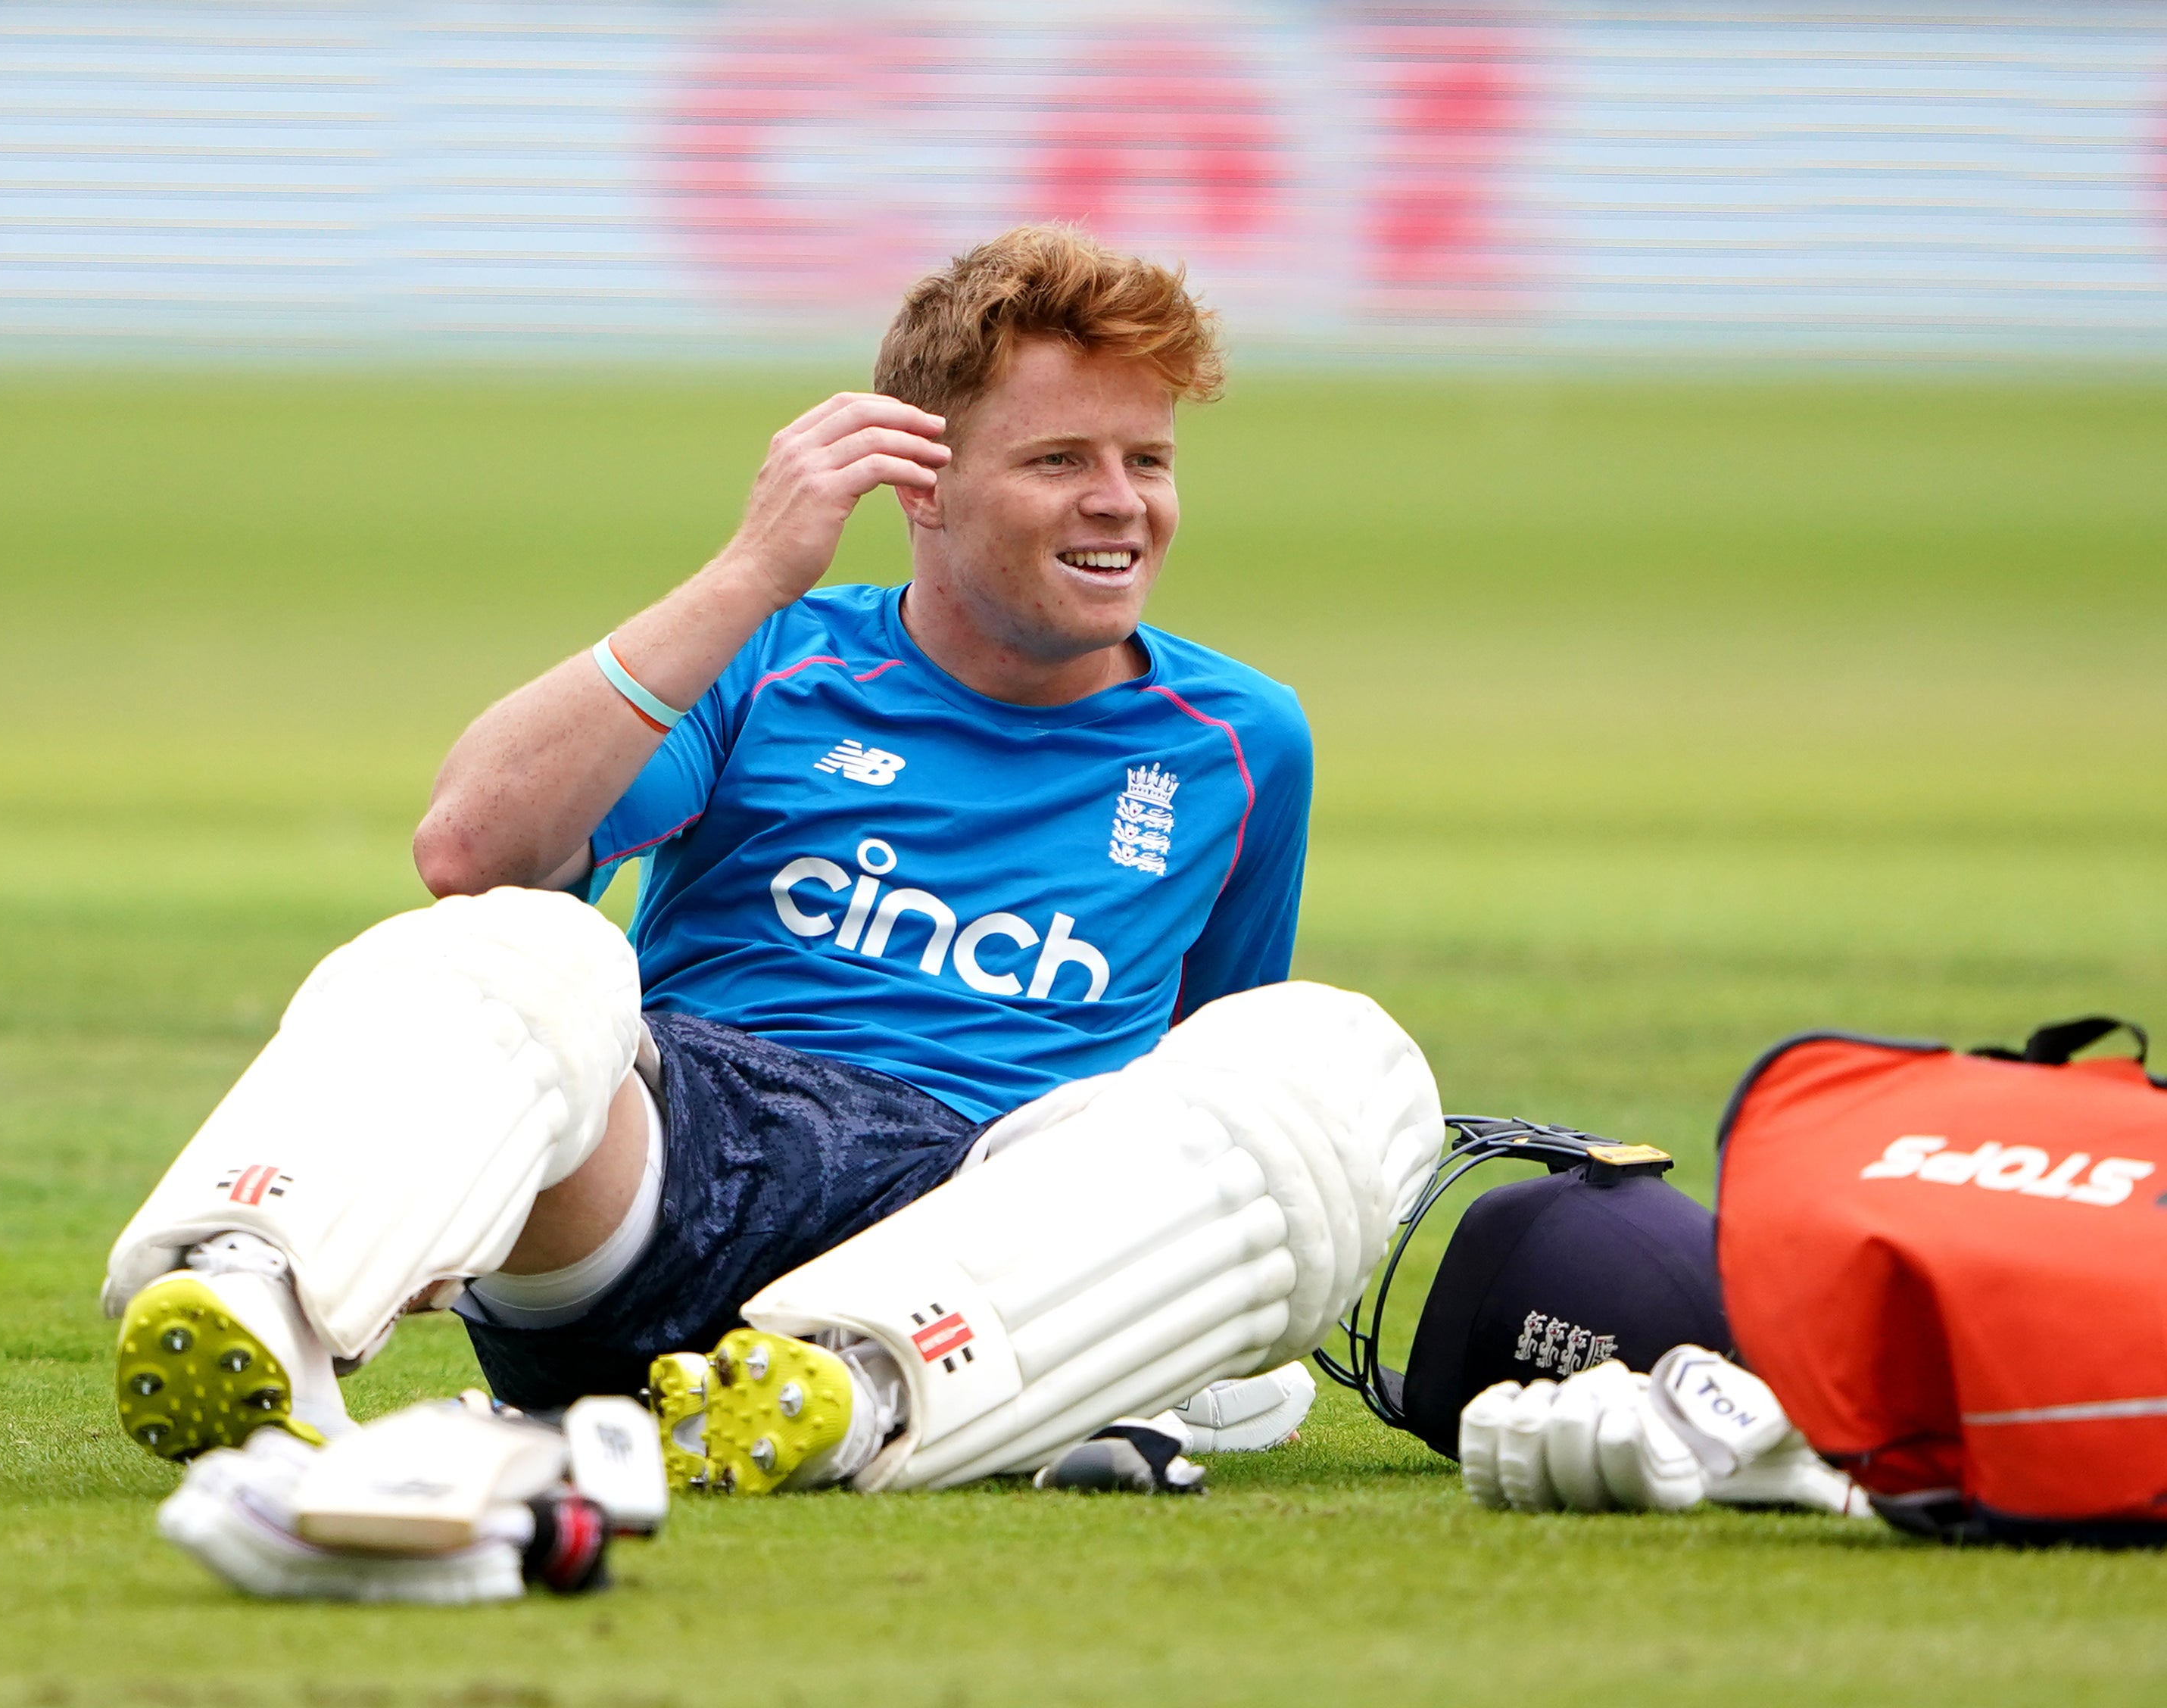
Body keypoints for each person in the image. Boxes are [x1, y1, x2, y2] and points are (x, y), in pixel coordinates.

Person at [104, 226, 1443, 1504]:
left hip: (980, 1232)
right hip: (682, 1167)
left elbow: (1211, 1098)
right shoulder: (778, 652)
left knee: (1328, 1050)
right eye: (1057, 461)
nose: (1117, 505)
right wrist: (753, 567)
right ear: (918, 481)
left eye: (1145, 461)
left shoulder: (1241, 742)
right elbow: (469, 846)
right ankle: (255, 1300)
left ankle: (836, 1395)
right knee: (522, 940)